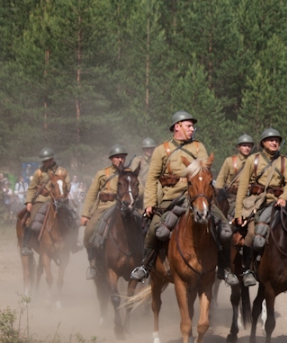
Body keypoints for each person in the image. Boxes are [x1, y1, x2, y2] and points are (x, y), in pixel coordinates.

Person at [131, 111, 235, 285]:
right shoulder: (161, 150)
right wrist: (149, 203)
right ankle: (145, 266)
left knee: (225, 228)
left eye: (192, 126)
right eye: (189, 125)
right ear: (177, 127)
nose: (192, 129)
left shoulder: (198, 147)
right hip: (170, 198)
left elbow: (203, 171)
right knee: (153, 230)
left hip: (196, 195)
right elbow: (151, 179)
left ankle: (225, 268)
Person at [234, 128, 287, 286]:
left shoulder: (285, 162)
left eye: (277, 140)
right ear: (263, 143)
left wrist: (283, 197)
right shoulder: (253, 160)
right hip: (258, 203)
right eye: (271, 140)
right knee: (251, 234)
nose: (274, 142)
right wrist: (238, 212)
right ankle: (247, 270)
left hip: (278, 203)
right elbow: (242, 187)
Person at [81, 145, 140, 280]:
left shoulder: (130, 174)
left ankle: (142, 263)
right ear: (111, 159)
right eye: (117, 157)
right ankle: (93, 264)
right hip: (105, 206)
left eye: (122, 157)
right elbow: (92, 194)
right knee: (89, 232)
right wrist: (85, 214)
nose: (120, 159)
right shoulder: (102, 174)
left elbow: (139, 190)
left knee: (143, 227)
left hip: (127, 206)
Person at [22, 148, 72, 256]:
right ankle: (26, 245)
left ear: (52, 159)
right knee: (31, 221)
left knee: (72, 218)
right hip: (42, 201)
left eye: (47, 160)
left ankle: (73, 243)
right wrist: (29, 202)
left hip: (59, 200)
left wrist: (53, 191)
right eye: (43, 161)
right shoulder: (39, 172)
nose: (46, 163)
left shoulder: (62, 171)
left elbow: (67, 185)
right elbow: (31, 188)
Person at [215, 133, 254, 218]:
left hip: (249, 197)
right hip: (231, 197)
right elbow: (221, 179)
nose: (247, 148)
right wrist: (218, 196)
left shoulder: (256, 162)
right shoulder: (230, 161)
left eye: (249, 146)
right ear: (238, 147)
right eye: (244, 145)